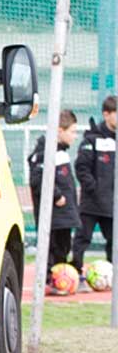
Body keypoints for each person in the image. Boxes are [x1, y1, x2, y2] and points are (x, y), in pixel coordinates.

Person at [30, 109, 81, 283]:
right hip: (53, 217)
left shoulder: (62, 151)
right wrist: (56, 196)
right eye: (72, 131)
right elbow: (37, 179)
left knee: (63, 248)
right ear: (59, 131)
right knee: (51, 249)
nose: (75, 136)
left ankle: (61, 281)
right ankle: (48, 280)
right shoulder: (44, 152)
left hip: (65, 216)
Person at [72, 96, 115, 275]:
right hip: (92, 202)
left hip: (112, 203)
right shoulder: (92, 140)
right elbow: (81, 167)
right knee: (82, 239)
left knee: (114, 240)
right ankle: (75, 272)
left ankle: (113, 275)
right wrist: (94, 189)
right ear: (106, 114)